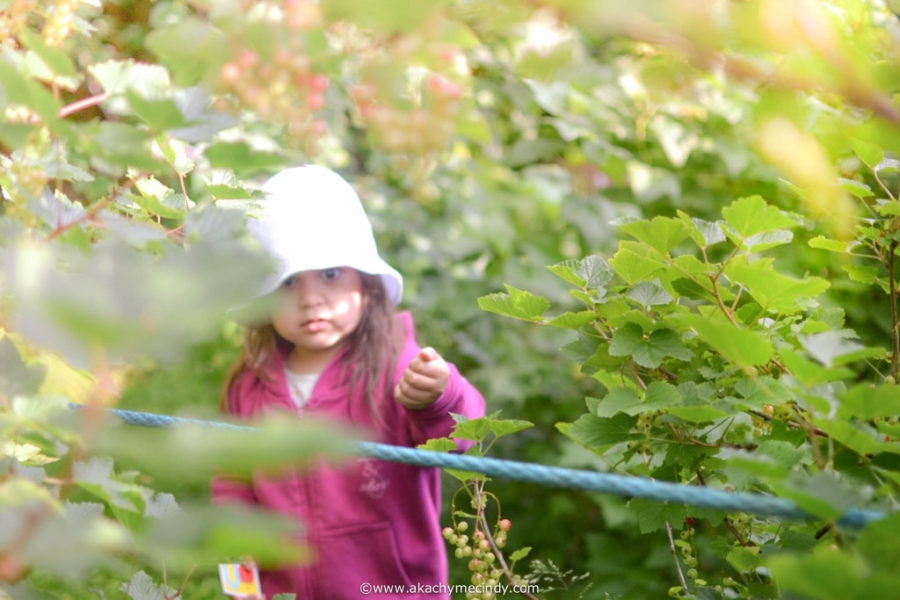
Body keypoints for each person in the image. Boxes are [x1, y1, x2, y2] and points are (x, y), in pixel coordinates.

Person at [211, 165, 486, 599]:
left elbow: (462, 440)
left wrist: (438, 397)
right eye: (288, 282)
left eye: (330, 274)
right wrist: (239, 588)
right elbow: (231, 492)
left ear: (366, 282)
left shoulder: (397, 367)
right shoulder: (250, 387)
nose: (310, 298)